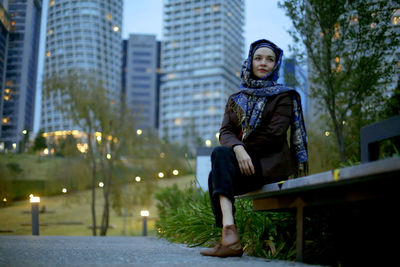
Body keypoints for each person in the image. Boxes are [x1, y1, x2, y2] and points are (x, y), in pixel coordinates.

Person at [200, 39, 308, 258]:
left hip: (269, 166)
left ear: (276, 64)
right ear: (250, 62)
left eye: (270, 59)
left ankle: (228, 238)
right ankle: (229, 231)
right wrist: (238, 149)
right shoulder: (236, 99)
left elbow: (274, 135)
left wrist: (242, 151)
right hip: (246, 167)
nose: (263, 63)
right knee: (219, 158)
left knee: (217, 169)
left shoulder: (283, 96)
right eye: (258, 58)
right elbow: (225, 132)